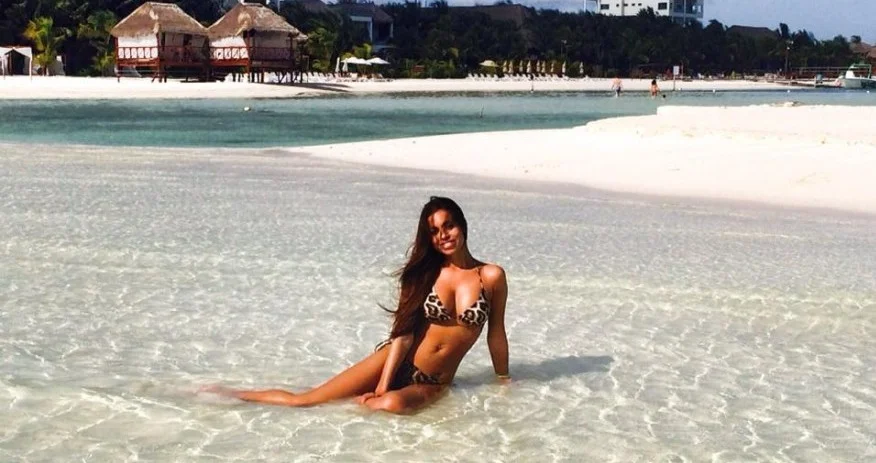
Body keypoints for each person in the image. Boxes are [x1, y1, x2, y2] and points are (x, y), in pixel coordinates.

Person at [209, 196, 509, 414]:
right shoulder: (423, 275)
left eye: (449, 226)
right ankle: (231, 395)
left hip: (435, 380)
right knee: (305, 402)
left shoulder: (491, 276)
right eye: (434, 231)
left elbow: (496, 333)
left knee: (391, 405)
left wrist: (503, 380)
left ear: (462, 225)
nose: (443, 236)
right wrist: (383, 383)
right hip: (395, 360)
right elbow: (403, 335)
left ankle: (358, 408)